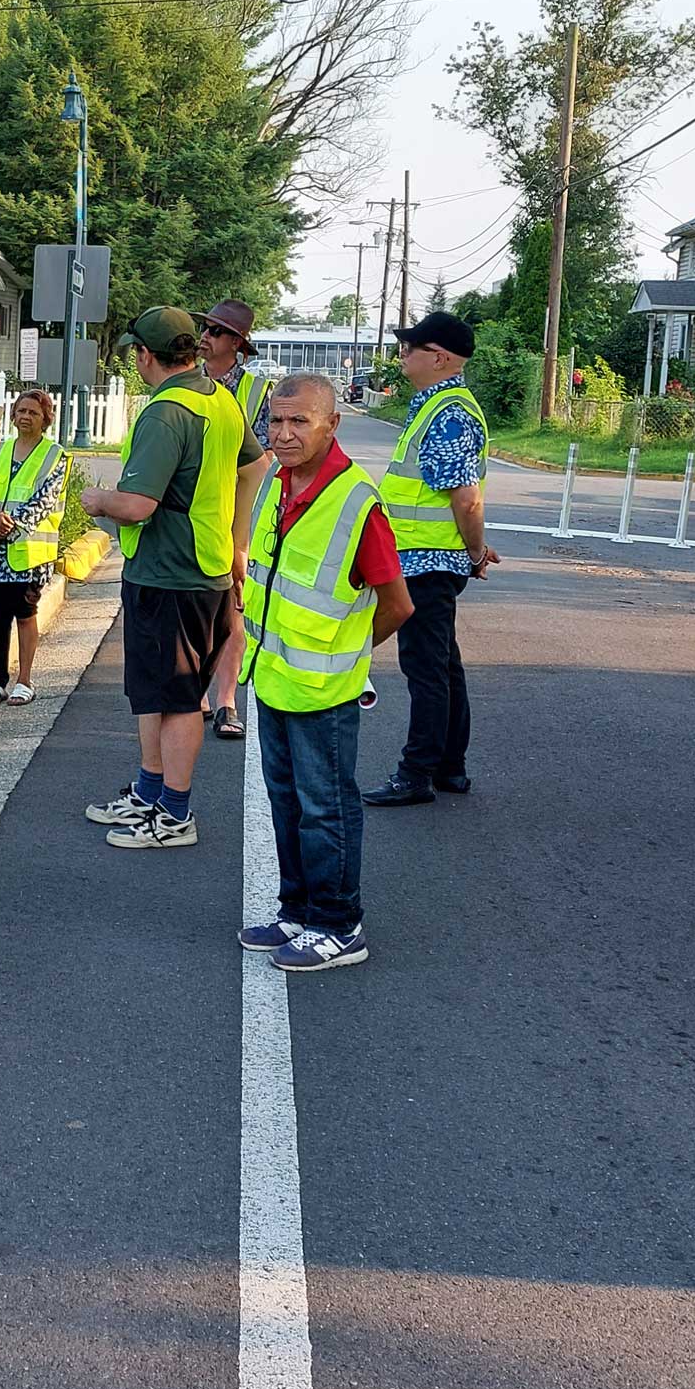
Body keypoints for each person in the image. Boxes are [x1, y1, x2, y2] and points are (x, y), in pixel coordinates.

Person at [236, 375, 413, 972]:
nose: (283, 434)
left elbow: (398, 605)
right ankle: (298, 912)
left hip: (325, 691)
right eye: (275, 422)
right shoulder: (275, 484)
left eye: (299, 422)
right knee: (286, 803)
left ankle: (339, 926)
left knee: (326, 808)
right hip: (273, 680)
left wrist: (352, 654)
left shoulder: (356, 502)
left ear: (331, 425)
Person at [79, 307, 271, 849]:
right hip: (201, 566)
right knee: (155, 692)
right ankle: (149, 793)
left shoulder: (166, 412)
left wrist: (96, 499)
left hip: (170, 574)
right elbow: (254, 466)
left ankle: (175, 814)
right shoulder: (219, 399)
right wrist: (235, 538)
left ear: (144, 354)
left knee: (180, 697)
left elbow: (138, 505)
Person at [361, 311, 502, 807]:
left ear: (439, 357)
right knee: (443, 667)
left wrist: (475, 551)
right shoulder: (436, 406)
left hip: (426, 564)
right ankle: (449, 768)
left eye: (411, 348)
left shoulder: (448, 414)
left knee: (426, 670)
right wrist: (472, 552)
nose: (403, 355)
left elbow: (466, 499)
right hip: (426, 559)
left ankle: (417, 773)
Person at [196, 299, 275, 742]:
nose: (206, 336)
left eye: (217, 331)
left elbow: (263, 460)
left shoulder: (258, 394)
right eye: (205, 327)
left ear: (237, 345)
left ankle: (226, 700)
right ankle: (198, 694)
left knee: (233, 610)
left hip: (238, 516)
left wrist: (240, 537)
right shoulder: (186, 385)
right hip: (193, 512)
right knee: (195, 610)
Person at [0, 389, 69, 707]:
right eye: (21, 411)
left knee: (25, 615)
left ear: (45, 420)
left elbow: (43, 502)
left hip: (28, 553)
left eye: (33, 413)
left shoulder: (55, 456)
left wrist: (5, 529)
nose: (25, 417)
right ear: (13, 415)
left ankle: (24, 681)